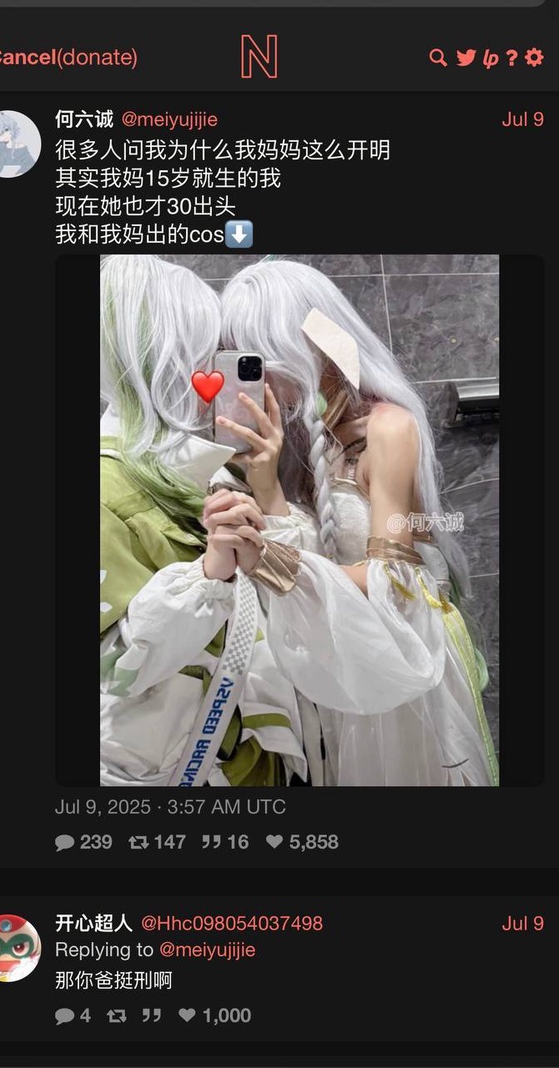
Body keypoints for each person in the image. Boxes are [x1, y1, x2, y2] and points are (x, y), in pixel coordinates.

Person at [211, 257, 498, 787]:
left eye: (263, 357)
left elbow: (394, 578)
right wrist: (265, 482)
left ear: (307, 346)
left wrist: (267, 558)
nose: (261, 378)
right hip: (356, 651)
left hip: (404, 655)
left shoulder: (388, 428)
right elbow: (324, 552)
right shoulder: (319, 435)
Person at [100, 255, 308, 787]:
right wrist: (209, 573)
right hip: (181, 766)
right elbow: (112, 667)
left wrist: (264, 481)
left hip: (245, 752)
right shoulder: (106, 488)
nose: (216, 372)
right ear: (164, 361)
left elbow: (285, 584)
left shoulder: (201, 469)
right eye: (205, 351)